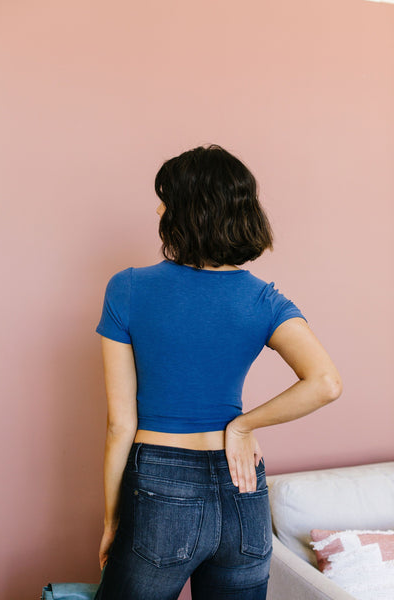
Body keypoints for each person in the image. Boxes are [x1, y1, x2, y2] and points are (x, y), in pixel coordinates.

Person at [93, 144, 342, 600]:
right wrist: (244, 425)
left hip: (160, 487)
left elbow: (119, 423)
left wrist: (112, 522)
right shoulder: (263, 299)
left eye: (165, 198)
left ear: (187, 211)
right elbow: (325, 383)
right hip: (242, 484)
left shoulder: (127, 288)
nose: (158, 208)